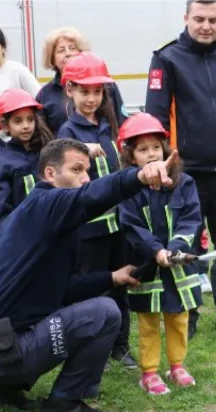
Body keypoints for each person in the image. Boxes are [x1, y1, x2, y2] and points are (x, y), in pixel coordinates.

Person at [0, 138, 177, 412]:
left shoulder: (41, 216)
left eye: (87, 171)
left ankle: (3, 387)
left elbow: (62, 289)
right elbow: (90, 197)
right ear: (50, 174)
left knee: (94, 305)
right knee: (105, 312)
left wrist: (113, 277)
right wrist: (138, 175)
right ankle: (64, 404)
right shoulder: (47, 203)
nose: (85, 178)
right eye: (76, 169)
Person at [145, 0, 216, 339]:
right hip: (185, 174)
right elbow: (156, 116)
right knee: (184, 248)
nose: (206, 26)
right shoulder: (166, 58)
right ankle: (186, 316)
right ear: (186, 18)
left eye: (213, 20)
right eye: (200, 19)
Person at [57, 52, 135, 369]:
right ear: (70, 91)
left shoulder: (107, 125)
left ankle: (121, 345)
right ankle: (91, 349)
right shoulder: (67, 130)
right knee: (92, 288)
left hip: (117, 224)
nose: (91, 98)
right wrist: (78, 151)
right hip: (88, 230)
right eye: (84, 91)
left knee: (121, 284)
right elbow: (65, 174)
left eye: (97, 91)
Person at [118, 113, 202, 395]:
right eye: (142, 150)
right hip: (147, 266)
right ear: (131, 158)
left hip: (178, 266)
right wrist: (155, 251)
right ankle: (150, 372)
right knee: (149, 321)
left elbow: (191, 218)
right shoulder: (129, 190)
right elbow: (131, 226)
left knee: (179, 318)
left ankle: (177, 366)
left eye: (155, 146)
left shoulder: (184, 183)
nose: (151, 153)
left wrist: (176, 248)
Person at [36, 27, 127, 134]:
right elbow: (41, 136)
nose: (68, 53)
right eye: (61, 50)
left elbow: (122, 122)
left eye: (72, 48)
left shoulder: (107, 85)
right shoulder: (45, 94)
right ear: (51, 58)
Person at [0, 89, 54, 232]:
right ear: (5, 125)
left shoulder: (42, 153)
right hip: (23, 234)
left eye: (30, 119)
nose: (26, 126)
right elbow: (1, 212)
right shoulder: (3, 163)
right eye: (18, 121)